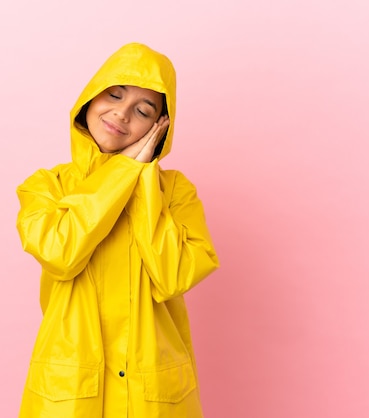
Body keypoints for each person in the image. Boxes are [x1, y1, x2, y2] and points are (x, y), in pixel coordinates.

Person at [15, 43, 219, 418]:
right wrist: (124, 171)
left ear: (160, 127)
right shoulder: (47, 186)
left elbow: (174, 276)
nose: (121, 115)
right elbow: (61, 254)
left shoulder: (175, 192)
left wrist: (142, 181)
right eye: (114, 94)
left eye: (143, 111)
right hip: (69, 392)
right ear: (90, 98)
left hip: (153, 393)